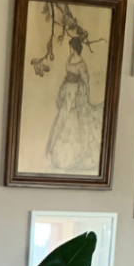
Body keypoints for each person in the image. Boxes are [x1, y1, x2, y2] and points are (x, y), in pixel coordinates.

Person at [46, 35, 102, 173]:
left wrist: (83, 95)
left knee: (73, 119)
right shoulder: (69, 60)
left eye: (71, 47)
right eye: (69, 46)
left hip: (76, 94)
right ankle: (59, 154)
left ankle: (71, 156)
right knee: (62, 117)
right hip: (67, 92)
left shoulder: (81, 64)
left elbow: (85, 81)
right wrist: (62, 89)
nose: (69, 49)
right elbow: (67, 76)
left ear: (75, 48)